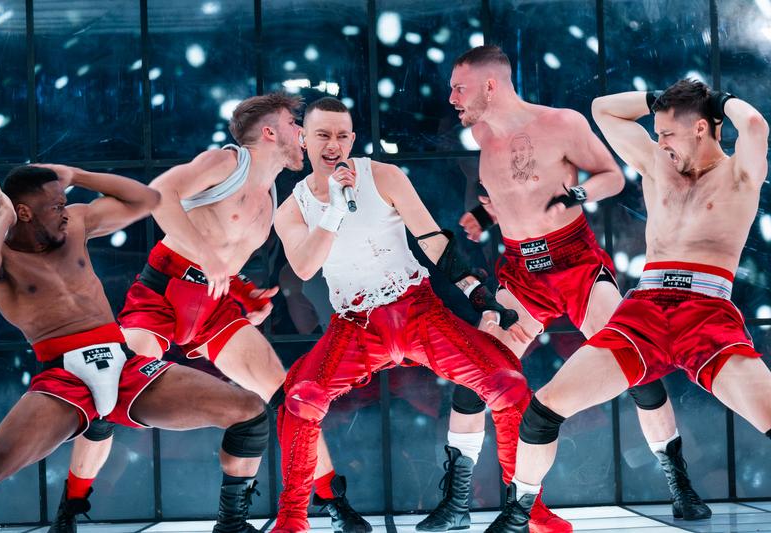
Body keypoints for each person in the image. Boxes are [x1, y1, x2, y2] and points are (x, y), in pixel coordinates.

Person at [417, 46, 711, 533]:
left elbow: (613, 177)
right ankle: (456, 503)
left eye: (459, 87)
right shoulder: (479, 134)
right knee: (477, 373)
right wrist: (482, 217)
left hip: (574, 262)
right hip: (520, 273)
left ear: (491, 85)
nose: (451, 97)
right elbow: (515, 190)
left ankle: (679, 485)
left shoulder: (563, 123)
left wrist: (576, 194)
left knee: (634, 361)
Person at [49, 94, 370, 533]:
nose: (303, 132)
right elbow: (159, 196)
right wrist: (210, 260)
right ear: (271, 131)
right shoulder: (227, 162)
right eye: (296, 123)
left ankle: (331, 502)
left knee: (290, 397)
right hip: (162, 295)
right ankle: (69, 509)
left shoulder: (273, 193)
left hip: (214, 308)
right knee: (106, 397)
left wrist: (245, 293)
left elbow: (224, 250)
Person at [485, 79, 771, 532]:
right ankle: (519, 512)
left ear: (701, 127)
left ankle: (678, 480)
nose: (660, 143)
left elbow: (754, 124)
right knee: (544, 409)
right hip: (646, 310)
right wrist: (657, 101)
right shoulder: (659, 167)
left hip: (706, 313)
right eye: (656, 133)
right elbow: (603, 109)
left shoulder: (739, 174)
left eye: (667, 134)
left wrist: (722, 102)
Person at [269, 96, 565, 533]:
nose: (333, 145)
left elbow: (431, 239)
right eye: (322, 135)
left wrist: (478, 295)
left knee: (506, 382)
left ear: (352, 138)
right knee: (300, 398)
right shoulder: (291, 209)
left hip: (416, 311)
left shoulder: (382, 174)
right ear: (303, 138)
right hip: (355, 325)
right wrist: (334, 205)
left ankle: (528, 511)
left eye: (341, 135)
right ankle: (291, 519)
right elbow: (307, 266)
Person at [0, 165, 269, 527]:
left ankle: (231, 523)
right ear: (23, 212)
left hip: (123, 361)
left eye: (65, 203)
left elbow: (146, 199)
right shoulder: (2, 257)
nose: (65, 212)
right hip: (64, 377)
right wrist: (3, 216)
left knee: (249, 411)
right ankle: (69, 508)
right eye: (55, 207)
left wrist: (77, 175)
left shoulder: (76, 224)